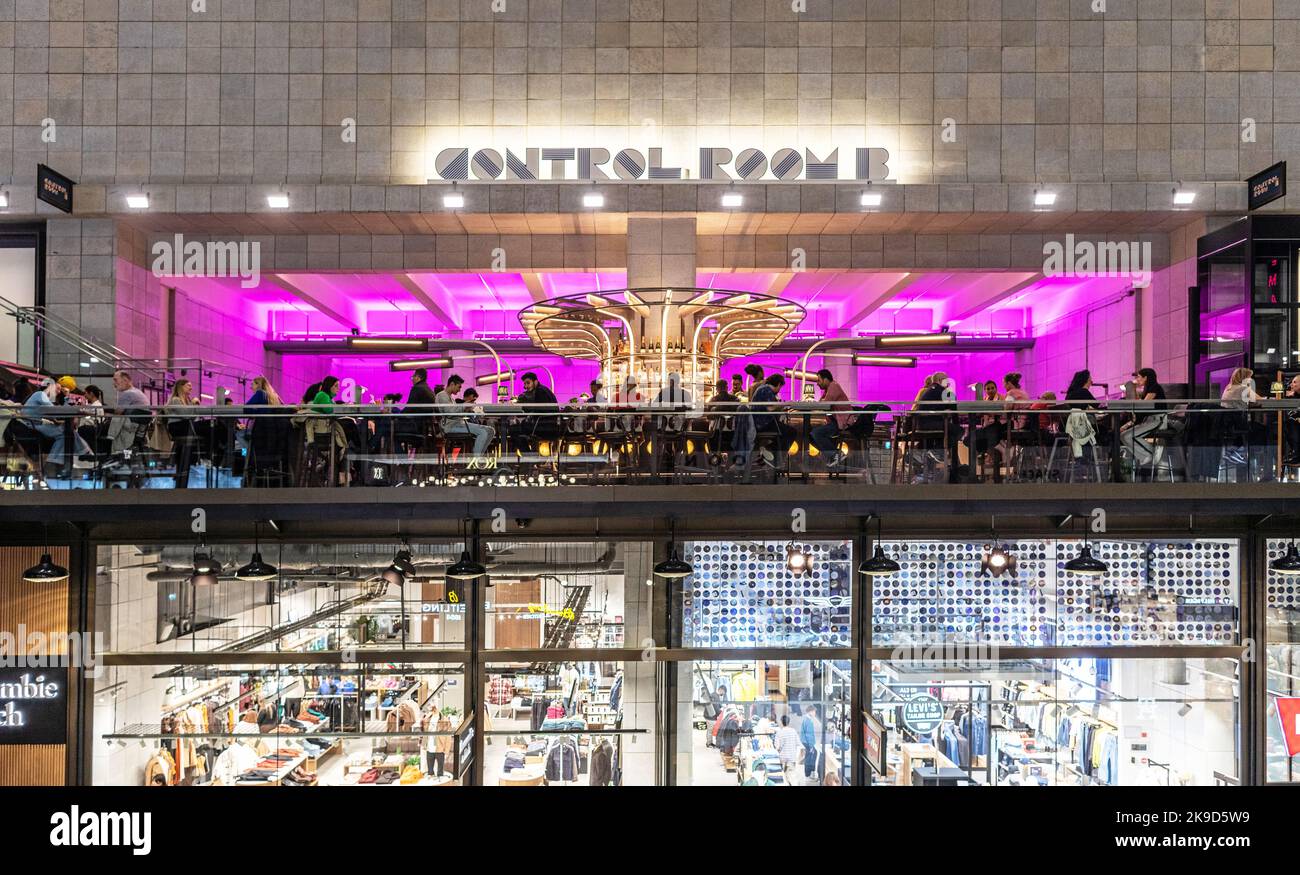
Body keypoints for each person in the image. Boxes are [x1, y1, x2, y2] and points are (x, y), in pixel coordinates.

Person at [23, 377, 92, 475]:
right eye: (58, 389)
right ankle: (83, 452)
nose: (59, 392)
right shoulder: (40, 394)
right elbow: (53, 411)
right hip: (32, 425)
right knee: (66, 431)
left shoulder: (41, 396)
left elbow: (51, 414)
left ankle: (54, 462)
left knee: (66, 433)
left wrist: (56, 420)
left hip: (33, 424)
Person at [1120, 367, 1167, 474]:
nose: (1137, 379)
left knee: (1129, 436)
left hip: (1157, 420)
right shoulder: (1147, 389)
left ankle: (1150, 454)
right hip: (1149, 420)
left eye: (1139, 377)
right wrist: (1135, 390)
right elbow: (1139, 404)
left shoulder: (1155, 387)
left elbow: (1143, 405)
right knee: (1123, 436)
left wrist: (1133, 388)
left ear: (1146, 377)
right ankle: (1145, 456)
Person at [437, 374, 494, 455]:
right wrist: (465, 405)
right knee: (483, 432)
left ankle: (478, 456)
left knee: (491, 430)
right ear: (452, 384)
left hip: (459, 424)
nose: (460, 390)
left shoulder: (450, 398)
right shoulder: (442, 396)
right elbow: (450, 413)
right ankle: (476, 459)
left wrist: (466, 408)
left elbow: (453, 413)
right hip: (451, 427)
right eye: (459, 387)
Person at [809, 369, 853, 468]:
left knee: (815, 433)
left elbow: (824, 404)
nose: (817, 383)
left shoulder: (833, 386)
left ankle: (835, 454)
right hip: (836, 422)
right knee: (811, 435)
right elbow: (821, 403)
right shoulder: (828, 389)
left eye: (819, 380)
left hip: (842, 423)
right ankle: (834, 455)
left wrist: (814, 404)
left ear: (825, 379)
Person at [748, 374, 794, 467]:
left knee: (785, 432)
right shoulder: (767, 390)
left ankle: (769, 453)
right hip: (763, 424)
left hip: (759, 422)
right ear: (779, 384)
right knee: (791, 432)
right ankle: (772, 454)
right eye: (780, 387)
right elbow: (770, 408)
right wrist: (784, 404)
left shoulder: (763, 388)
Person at [510, 371, 560, 449]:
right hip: (550, 425)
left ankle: (527, 456)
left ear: (535, 382)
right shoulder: (544, 389)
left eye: (528, 383)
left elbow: (538, 410)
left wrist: (524, 413)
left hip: (543, 426)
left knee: (514, 430)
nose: (526, 386)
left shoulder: (540, 392)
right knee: (519, 427)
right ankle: (529, 456)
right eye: (524, 384)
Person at [77, 384, 106, 453]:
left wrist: (82, 412)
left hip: (91, 430)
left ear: (91, 394)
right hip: (88, 429)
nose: (85, 395)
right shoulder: (93, 405)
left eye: (86, 393)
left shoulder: (97, 405)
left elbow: (92, 414)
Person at [774, 713, 802, 781]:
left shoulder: (779, 732)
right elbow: (798, 743)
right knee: (791, 777)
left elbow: (777, 747)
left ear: (781, 722)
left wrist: (779, 749)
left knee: (783, 778)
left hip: (783, 758)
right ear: (788, 722)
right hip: (792, 758)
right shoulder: (793, 731)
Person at [799, 704, 822, 780]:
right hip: (808, 742)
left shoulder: (805, 719)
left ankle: (808, 773)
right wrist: (812, 745)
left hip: (804, 741)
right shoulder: (809, 721)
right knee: (810, 757)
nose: (815, 713)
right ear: (810, 711)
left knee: (808, 757)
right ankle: (808, 774)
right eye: (814, 711)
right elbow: (810, 735)